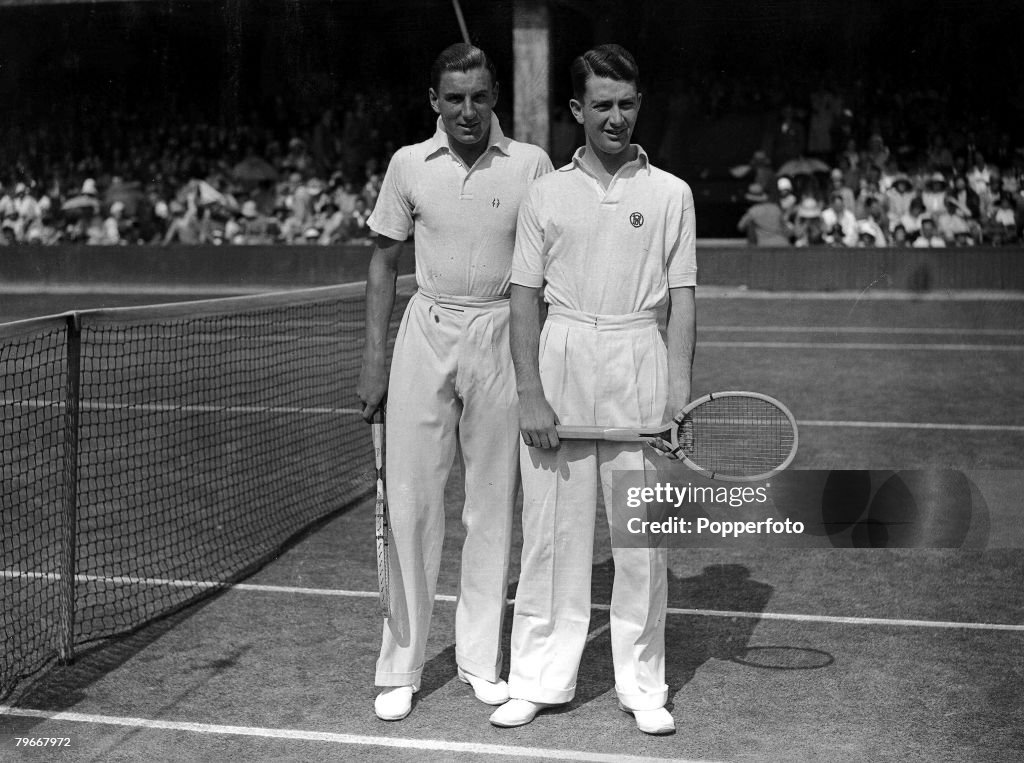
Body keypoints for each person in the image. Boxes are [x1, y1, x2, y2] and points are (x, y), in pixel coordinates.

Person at [489, 44, 696, 736]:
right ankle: (540, 678)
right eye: (601, 104)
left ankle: (643, 682)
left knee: (642, 538)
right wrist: (530, 394)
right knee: (551, 534)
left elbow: (685, 301)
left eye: (627, 103)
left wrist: (678, 394)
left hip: (640, 357)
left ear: (641, 105)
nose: (616, 117)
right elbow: (523, 298)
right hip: (563, 356)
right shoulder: (544, 193)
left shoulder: (671, 193)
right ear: (577, 109)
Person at [356, 43, 553, 723]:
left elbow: (548, 268)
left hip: (501, 333)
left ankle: (479, 660)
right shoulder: (408, 164)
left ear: (495, 94)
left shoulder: (531, 164)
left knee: (492, 506)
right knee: (410, 505)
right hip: (427, 329)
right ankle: (400, 665)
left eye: (479, 95)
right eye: (454, 97)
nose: (467, 110)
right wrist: (374, 359)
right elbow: (383, 263)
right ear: (433, 100)